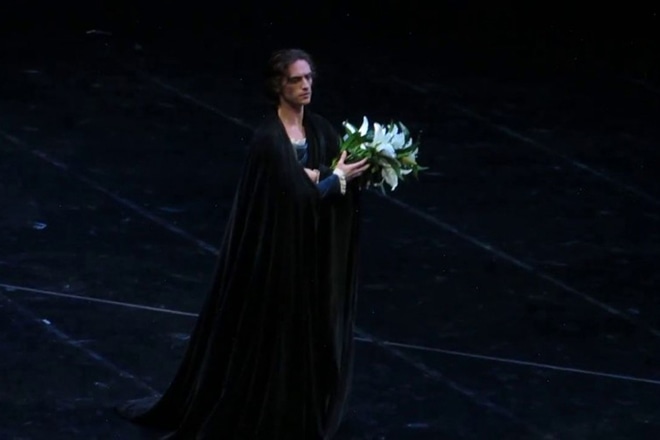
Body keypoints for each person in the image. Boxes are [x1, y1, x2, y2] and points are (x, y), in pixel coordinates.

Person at [117, 48, 369, 439]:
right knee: (276, 332)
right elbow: (294, 197)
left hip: (311, 253)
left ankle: (300, 406)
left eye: (309, 78)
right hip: (279, 254)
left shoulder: (320, 130)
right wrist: (331, 179)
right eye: (296, 79)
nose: (305, 86)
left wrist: (342, 175)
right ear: (278, 85)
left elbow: (329, 179)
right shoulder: (269, 139)